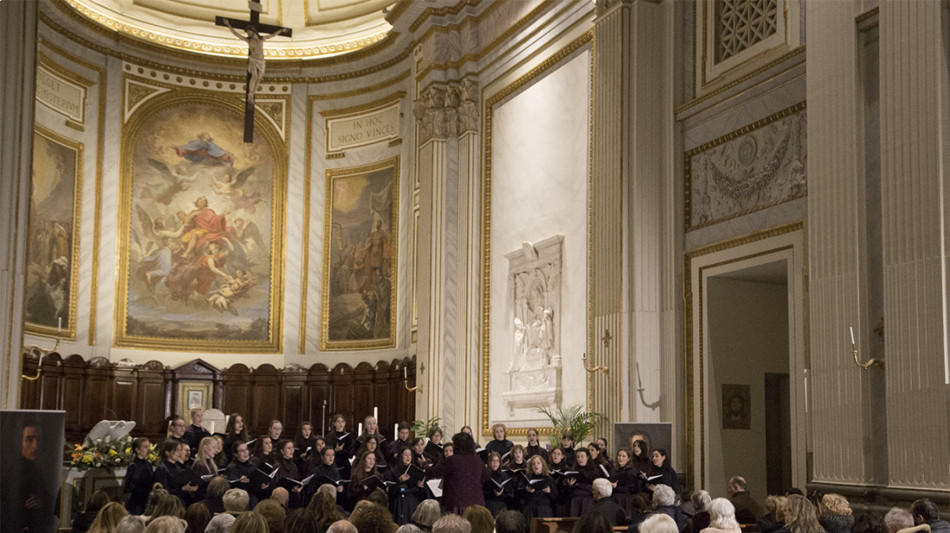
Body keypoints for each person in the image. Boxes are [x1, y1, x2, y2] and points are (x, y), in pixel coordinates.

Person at [425, 432, 490, 514]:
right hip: (476, 502)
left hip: (457, 502)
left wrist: (425, 464)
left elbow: (435, 472)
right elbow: (487, 476)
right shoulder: (477, 460)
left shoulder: (452, 460)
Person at [388, 448, 426, 525]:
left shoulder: (416, 470)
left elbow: (421, 494)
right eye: (405, 455)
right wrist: (399, 481)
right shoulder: (394, 470)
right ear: (401, 456)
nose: (408, 457)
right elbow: (390, 492)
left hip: (412, 502)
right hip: (398, 502)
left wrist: (420, 486)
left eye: (410, 455)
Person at [568, 447, 602, 516]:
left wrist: (578, 485)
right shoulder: (573, 470)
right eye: (578, 457)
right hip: (575, 500)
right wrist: (570, 485)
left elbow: (595, 488)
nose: (580, 459)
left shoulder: (593, 471)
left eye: (582, 456)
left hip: (587, 499)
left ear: (588, 457)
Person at [125, 438, 155, 515]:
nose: (148, 449)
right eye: (145, 447)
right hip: (136, 502)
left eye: (148, 446)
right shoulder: (133, 465)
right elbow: (129, 486)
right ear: (138, 450)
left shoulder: (148, 464)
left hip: (147, 500)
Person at [483, 452, 511, 517]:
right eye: (493, 461)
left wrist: (501, 494)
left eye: (497, 461)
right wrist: (493, 493)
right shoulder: (485, 475)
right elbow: (482, 491)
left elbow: (509, 493)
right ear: (489, 463)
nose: (495, 463)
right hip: (489, 504)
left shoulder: (504, 475)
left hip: (501, 505)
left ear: (500, 463)